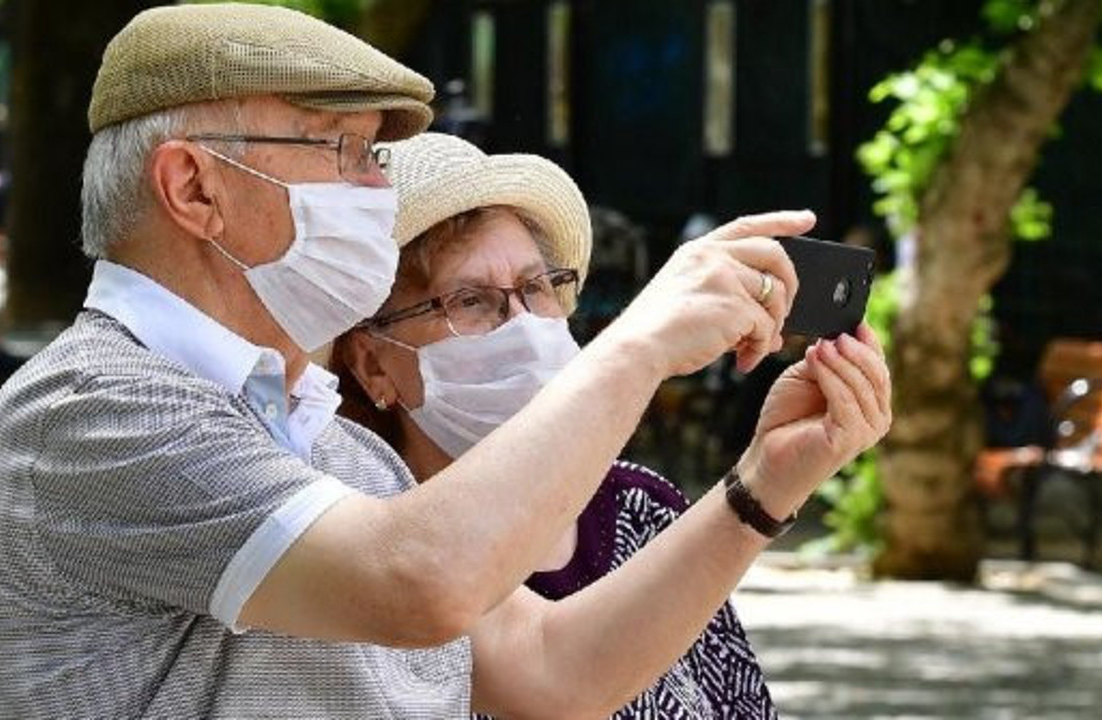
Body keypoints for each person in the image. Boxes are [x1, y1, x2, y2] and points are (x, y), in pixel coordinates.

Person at [0, 5, 891, 718]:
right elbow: (418, 584)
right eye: (350, 152)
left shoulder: (346, 457)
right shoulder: (93, 408)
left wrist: (759, 488)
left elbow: (551, 674)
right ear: (193, 187)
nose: (378, 189)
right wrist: (638, 346)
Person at [329, 132, 776, 717]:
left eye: (536, 288)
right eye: (470, 301)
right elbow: (549, 672)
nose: (521, 324)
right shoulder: (361, 535)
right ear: (371, 365)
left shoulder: (641, 508)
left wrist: (781, 467)